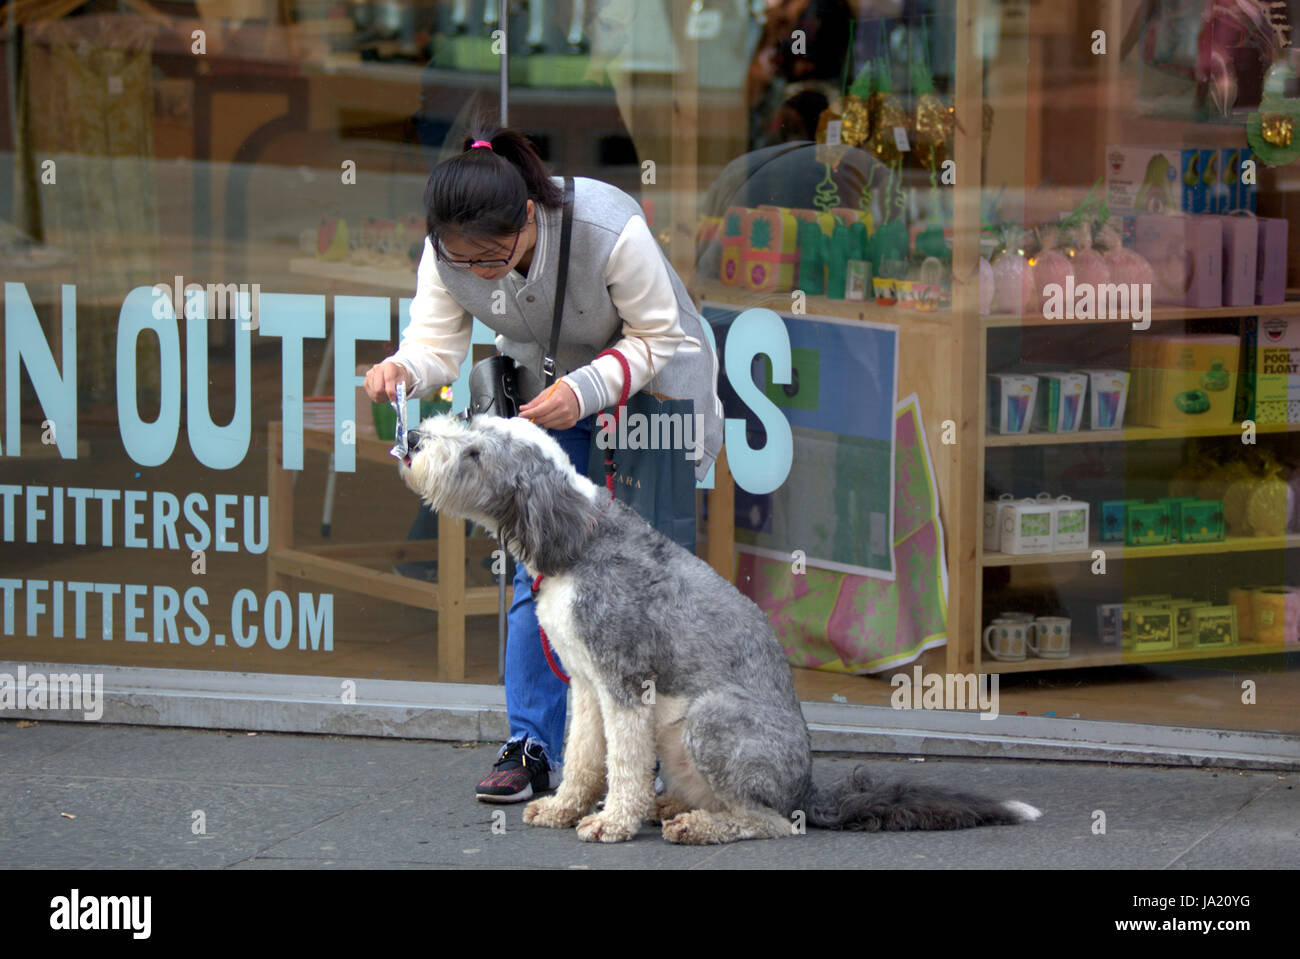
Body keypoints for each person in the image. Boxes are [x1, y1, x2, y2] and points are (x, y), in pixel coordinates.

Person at [364, 121, 723, 803]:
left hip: (651, 387)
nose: (479, 272)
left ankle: (655, 757)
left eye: (492, 257)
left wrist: (584, 391)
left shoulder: (607, 225)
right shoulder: (450, 251)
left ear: (528, 217)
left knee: (649, 580)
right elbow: (436, 345)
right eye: (462, 260)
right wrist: (400, 371)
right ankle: (532, 742)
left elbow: (662, 332)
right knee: (542, 565)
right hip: (546, 397)